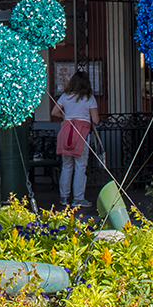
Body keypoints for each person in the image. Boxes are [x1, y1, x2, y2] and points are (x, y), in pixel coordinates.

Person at [51, 70, 102, 209]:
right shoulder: (89, 98)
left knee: (66, 166)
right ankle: (78, 198)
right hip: (82, 133)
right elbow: (96, 120)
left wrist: (66, 117)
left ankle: (64, 197)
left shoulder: (65, 96)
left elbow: (54, 112)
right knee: (80, 167)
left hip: (67, 130)